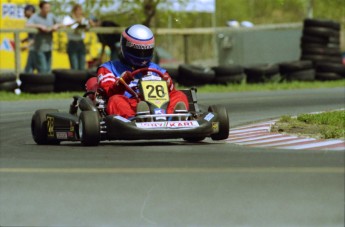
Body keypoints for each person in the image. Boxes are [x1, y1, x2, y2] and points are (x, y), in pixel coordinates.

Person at [96, 24, 189, 119]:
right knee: (115, 100)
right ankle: (136, 120)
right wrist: (121, 83)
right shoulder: (109, 68)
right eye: (137, 52)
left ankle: (172, 118)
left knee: (179, 95)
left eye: (146, 52)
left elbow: (171, 91)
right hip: (130, 104)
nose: (142, 56)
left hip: (159, 106)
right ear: (125, 46)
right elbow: (108, 92)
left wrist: (168, 84)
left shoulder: (156, 69)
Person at [26, 1, 61, 73]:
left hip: (49, 46)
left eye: (49, 7)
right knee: (43, 69)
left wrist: (56, 26)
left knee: (48, 70)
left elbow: (60, 23)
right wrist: (39, 26)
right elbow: (27, 25)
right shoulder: (35, 16)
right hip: (39, 47)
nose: (48, 9)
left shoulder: (51, 16)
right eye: (46, 8)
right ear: (41, 8)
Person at [63, 4, 94, 70]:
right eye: (78, 10)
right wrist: (75, 22)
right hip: (72, 43)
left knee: (82, 66)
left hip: (81, 42)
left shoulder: (83, 19)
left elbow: (88, 28)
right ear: (74, 11)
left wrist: (91, 24)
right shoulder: (68, 18)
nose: (80, 12)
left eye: (81, 10)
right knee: (74, 66)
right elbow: (65, 26)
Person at [22, 5, 37, 73]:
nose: (24, 13)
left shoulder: (34, 20)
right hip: (33, 47)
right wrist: (24, 40)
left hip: (36, 48)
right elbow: (32, 35)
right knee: (29, 68)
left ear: (30, 11)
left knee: (29, 69)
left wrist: (28, 45)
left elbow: (37, 37)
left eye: (25, 11)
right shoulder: (32, 19)